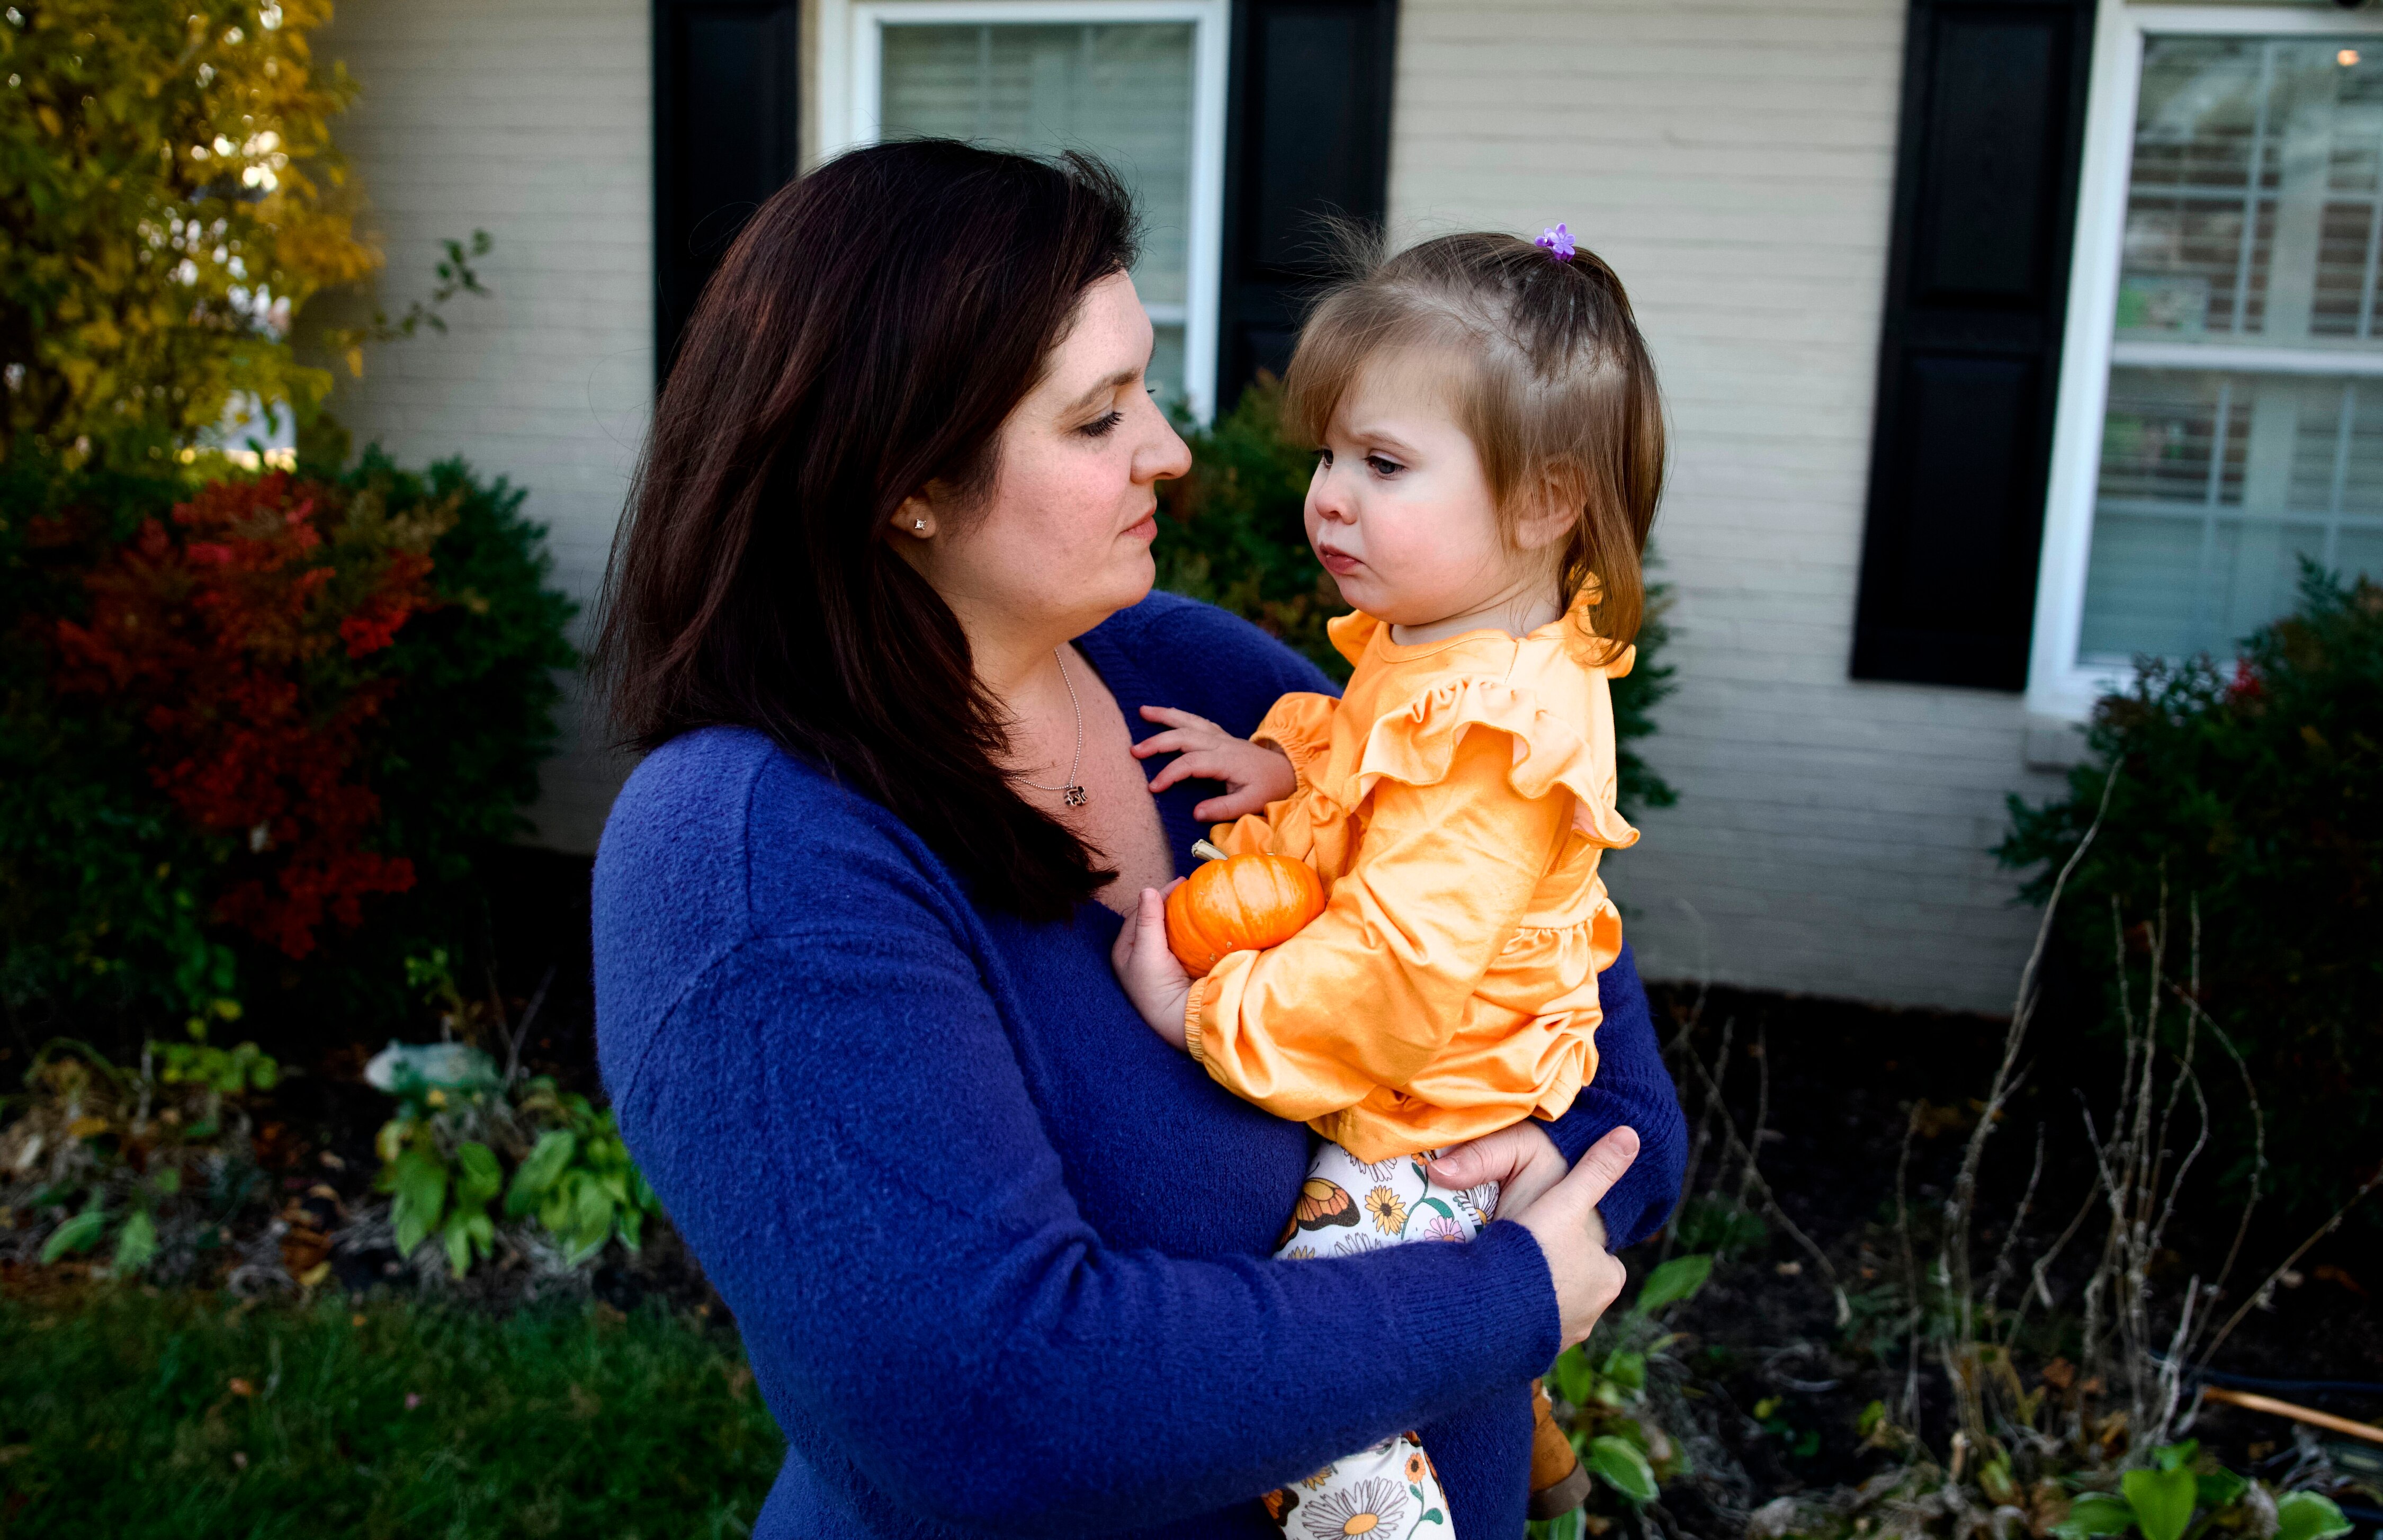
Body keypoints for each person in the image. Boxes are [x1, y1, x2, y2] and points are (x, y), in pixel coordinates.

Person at [590, 140, 1687, 1537]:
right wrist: (1504, 1292)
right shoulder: (750, 855)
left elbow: (1618, 1091)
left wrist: (1544, 1167)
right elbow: (992, 1403)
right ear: (905, 481)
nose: (1168, 449)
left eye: (1144, 391)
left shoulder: (1201, 684)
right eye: (1098, 417)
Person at [1109, 226, 1665, 1528]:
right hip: (1457, 1088)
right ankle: (1532, 1436)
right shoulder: (1457, 649)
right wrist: (1282, 760)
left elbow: (1391, 972)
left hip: (1431, 1119)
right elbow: (1374, 757)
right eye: (1329, 453)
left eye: (1384, 463)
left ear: (1545, 502)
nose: (1328, 496)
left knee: (1314, 1371)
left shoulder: (1494, 736)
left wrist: (1200, 1013)